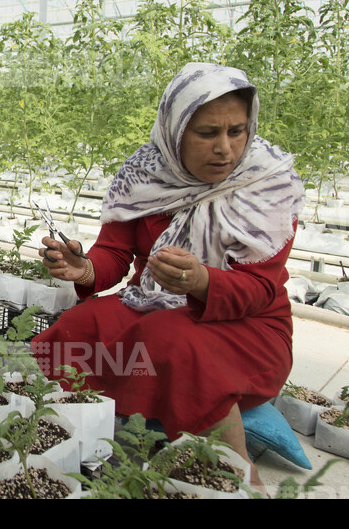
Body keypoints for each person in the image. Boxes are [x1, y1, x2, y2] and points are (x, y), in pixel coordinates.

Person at [31, 62, 304, 488]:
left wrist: (201, 282)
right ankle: (58, 430)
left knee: (171, 340)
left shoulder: (267, 188)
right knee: (79, 323)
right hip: (154, 304)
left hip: (247, 326)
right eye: (208, 133)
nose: (226, 148)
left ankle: (236, 475)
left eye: (237, 131)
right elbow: (114, 252)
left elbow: (260, 289)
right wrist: (82, 267)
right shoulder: (144, 175)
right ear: (175, 130)